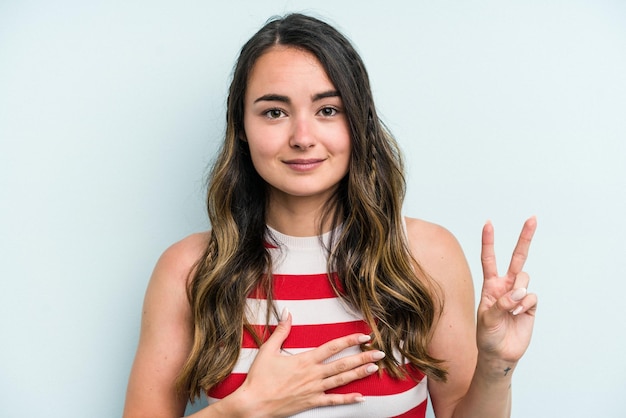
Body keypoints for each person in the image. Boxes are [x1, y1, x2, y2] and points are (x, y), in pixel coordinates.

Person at [123, 13, 538, 418]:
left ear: (359, 122)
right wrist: (245, 410)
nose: (303, 138)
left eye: (327, 110)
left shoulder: (427, 256)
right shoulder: (189, 269)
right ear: (242, 127)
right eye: (274, 112)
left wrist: (496, 365)